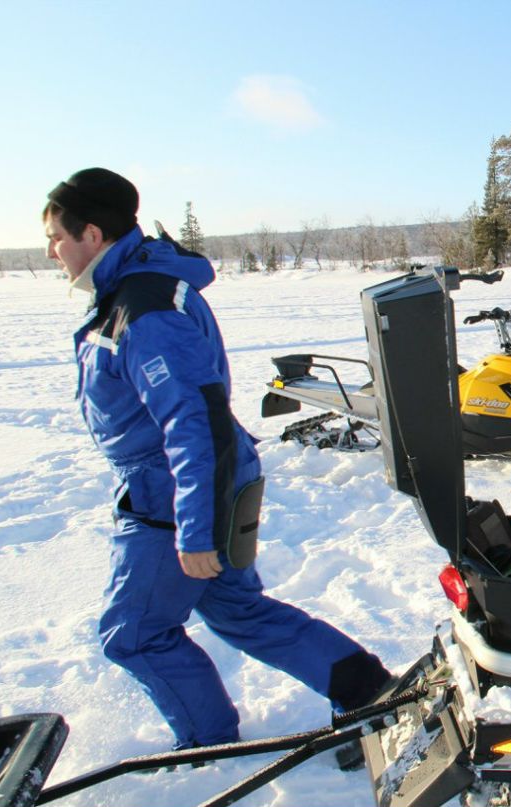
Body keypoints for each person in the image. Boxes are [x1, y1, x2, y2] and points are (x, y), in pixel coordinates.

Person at [43, 168, 391, 750]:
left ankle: (207, 745)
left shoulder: (144, 308)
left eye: (56, 235)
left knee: (131, 635)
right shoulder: (134, 291)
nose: (51, 250)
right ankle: (367, 689)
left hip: (175, 492)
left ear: (93, 234)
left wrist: (195, 531)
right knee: (237, 611)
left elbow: (193, 423)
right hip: (199, 480)